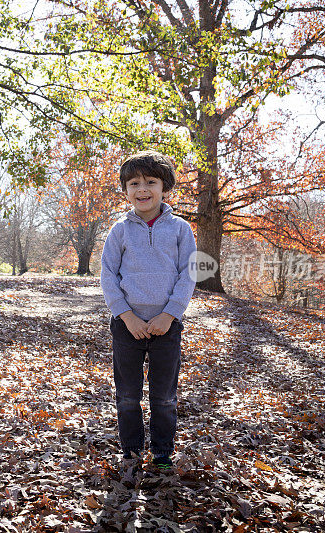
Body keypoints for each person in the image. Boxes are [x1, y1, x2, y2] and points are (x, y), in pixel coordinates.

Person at [100, 150, 197, 470]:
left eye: (150, 182)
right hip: (126, 325)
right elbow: (107, 275)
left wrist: (170, 314)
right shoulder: (120, 231)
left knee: (164, 397)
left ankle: (162, 452)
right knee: (127, 395)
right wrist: (125, 315)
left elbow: (188, 274)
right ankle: (130, 450)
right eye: (134, 183)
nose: (142, 189)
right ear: (126, 190)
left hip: (166, 326)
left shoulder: (181, 230)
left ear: (164, 187)